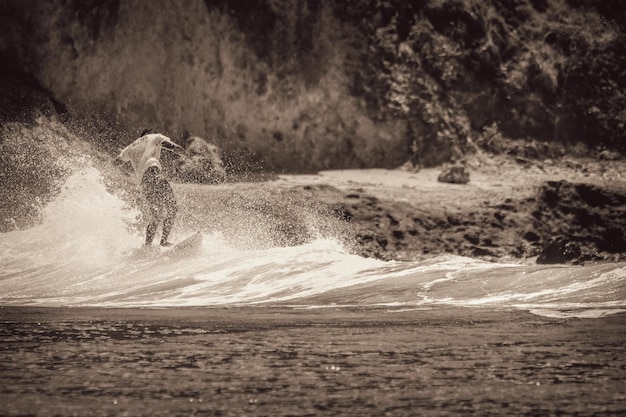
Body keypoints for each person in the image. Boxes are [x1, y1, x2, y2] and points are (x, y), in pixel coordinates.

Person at [117, 132, 186, 246]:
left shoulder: (130, 147)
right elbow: (170, 146)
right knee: (172, 208)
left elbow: (117, 161)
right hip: (153, 172)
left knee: (156, 215)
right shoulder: (155, 136)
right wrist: (183, 151)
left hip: (144, 183)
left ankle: (147, 246)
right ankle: (163, 242)